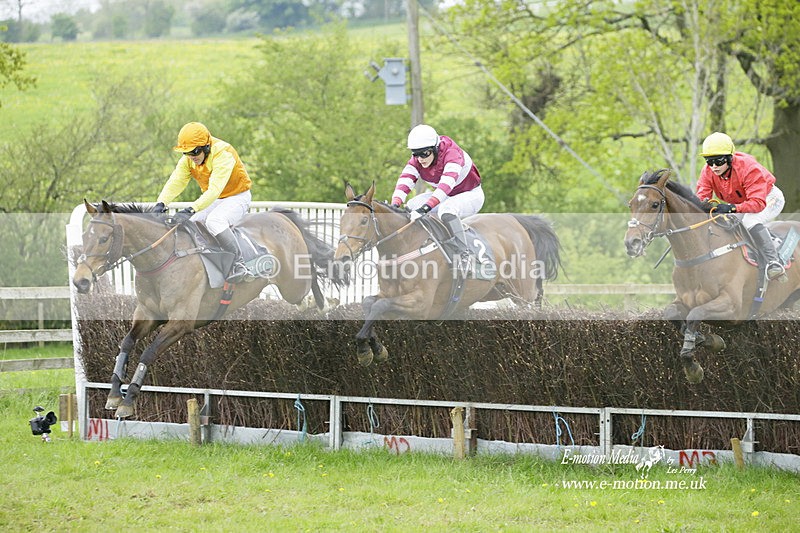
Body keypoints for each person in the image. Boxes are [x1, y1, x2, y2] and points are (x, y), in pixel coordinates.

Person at [155, 122, 252, 282]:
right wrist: (161, 203)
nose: (191, 156)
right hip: (216, 199)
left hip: (237, 196)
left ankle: (239, 264)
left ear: (206, 147)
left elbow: (214, 189)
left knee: (215, 221)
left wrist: (191, 209)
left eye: (195, 151)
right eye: (186, 152)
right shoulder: (188, 159)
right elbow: (176, 181)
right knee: (192, 223)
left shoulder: (223, 153)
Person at [391, 124, 485, 270]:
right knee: (411, 205)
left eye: (424, 154)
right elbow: (406, 179)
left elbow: (445, 186)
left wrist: (426, 208)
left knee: (447, 210)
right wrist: (395, 204)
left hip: (470, 195)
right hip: (447, 195)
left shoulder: (452, 154)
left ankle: (464, 255)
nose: (420, 159)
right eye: (416, 154)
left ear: (435, 148)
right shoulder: (419, 158)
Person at [696, 131, 785, 280]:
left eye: (718, 161)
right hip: (744, 203)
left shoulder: (748, 168)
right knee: (726, 223)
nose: (713, 166)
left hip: (769, 199)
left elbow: (757, 203)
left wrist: (731, 208)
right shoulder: (708, 171)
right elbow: (701, 198)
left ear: (730, 158)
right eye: (709, 161)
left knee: (750, 221)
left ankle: (773, 262)